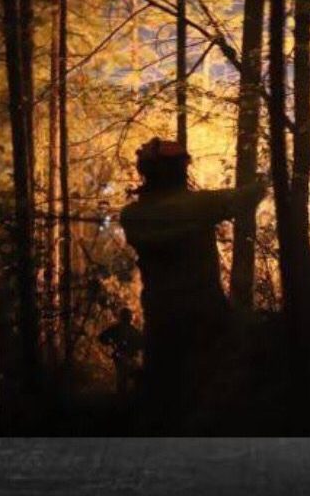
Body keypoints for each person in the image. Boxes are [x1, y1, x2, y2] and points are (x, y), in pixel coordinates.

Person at [119, 138, 268, 419]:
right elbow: (245, 197)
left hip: (160, 316)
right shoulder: (200, 206)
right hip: (205, 314)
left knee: (164, 394)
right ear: (178, 171)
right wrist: (263, 183)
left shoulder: (133, 216)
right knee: (214, 385)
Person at [98, 307, 143, 397]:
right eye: (127, 316)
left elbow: (141, 343)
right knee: (123, 378)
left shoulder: (131, 330)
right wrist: (111, 343)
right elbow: (102, 337)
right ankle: (122, 399)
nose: (128, 318)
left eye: (128, 316)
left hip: (130, 357)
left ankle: (126, 398)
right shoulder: (116, 329)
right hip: (120, 356)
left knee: (130, 377)